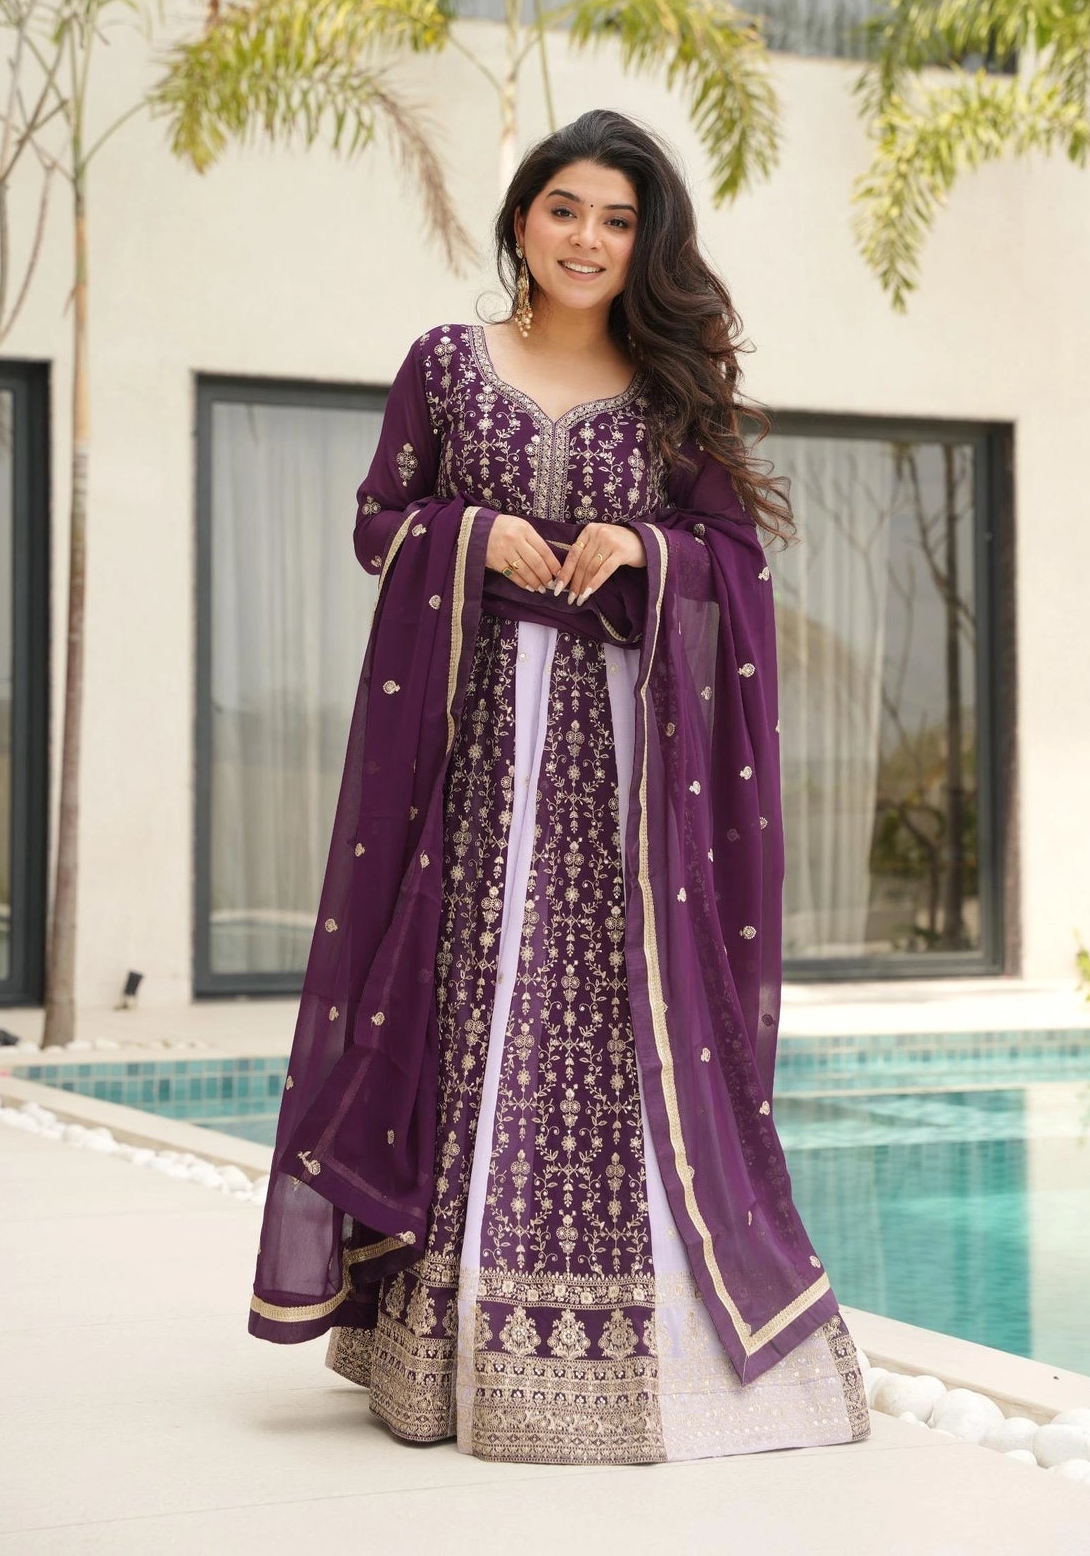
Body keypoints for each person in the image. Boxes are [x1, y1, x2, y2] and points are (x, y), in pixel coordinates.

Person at [248, 107, 872, 1465]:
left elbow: (735, 564)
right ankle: (445, 1344)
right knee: (473, 997)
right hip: (472, 748)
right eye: (564, 209)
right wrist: (476, 537)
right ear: (521, 219)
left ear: (642, 243)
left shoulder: (669, 390)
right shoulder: (445, 363)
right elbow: (380, 517)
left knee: (609, 1010)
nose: (587, 237)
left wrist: (644, 551)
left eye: (617, 218)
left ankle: (653, 1352)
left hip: (624, 759)